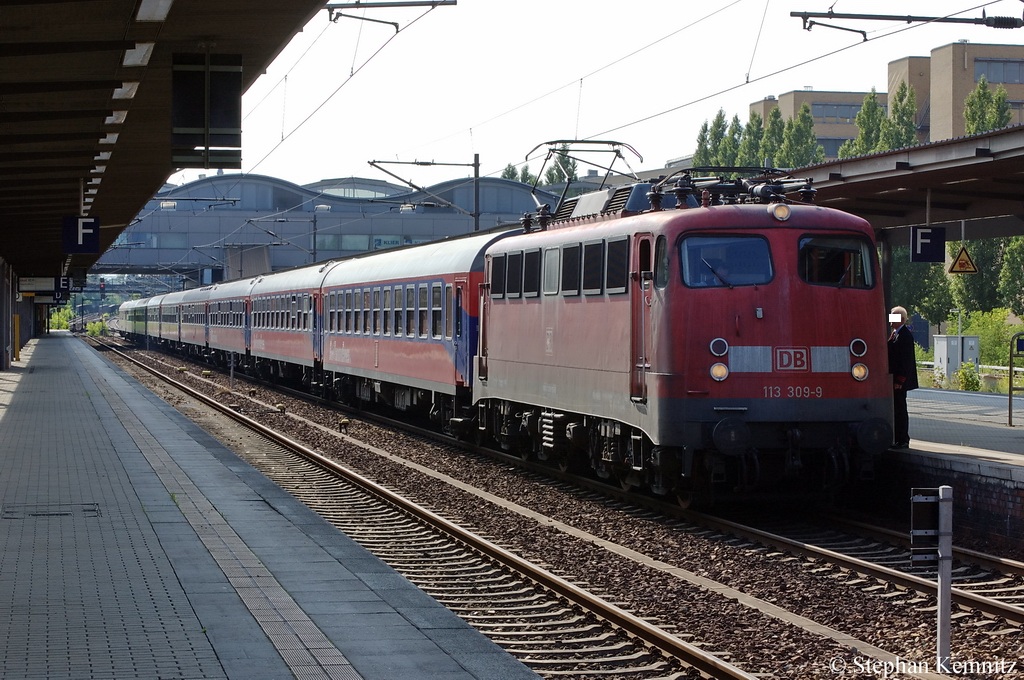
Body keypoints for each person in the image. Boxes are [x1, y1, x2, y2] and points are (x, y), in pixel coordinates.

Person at [887, 306, 919, 448]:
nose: (890, 321)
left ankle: (903, 439)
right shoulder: (895, 334)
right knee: (896, 408)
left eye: (893, 317)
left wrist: (900, 380)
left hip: (900, 380)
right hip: (895, 379)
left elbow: (905, 361)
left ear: (901, 319)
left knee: (900, 409)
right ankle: (898, 438)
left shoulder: (905, 336)